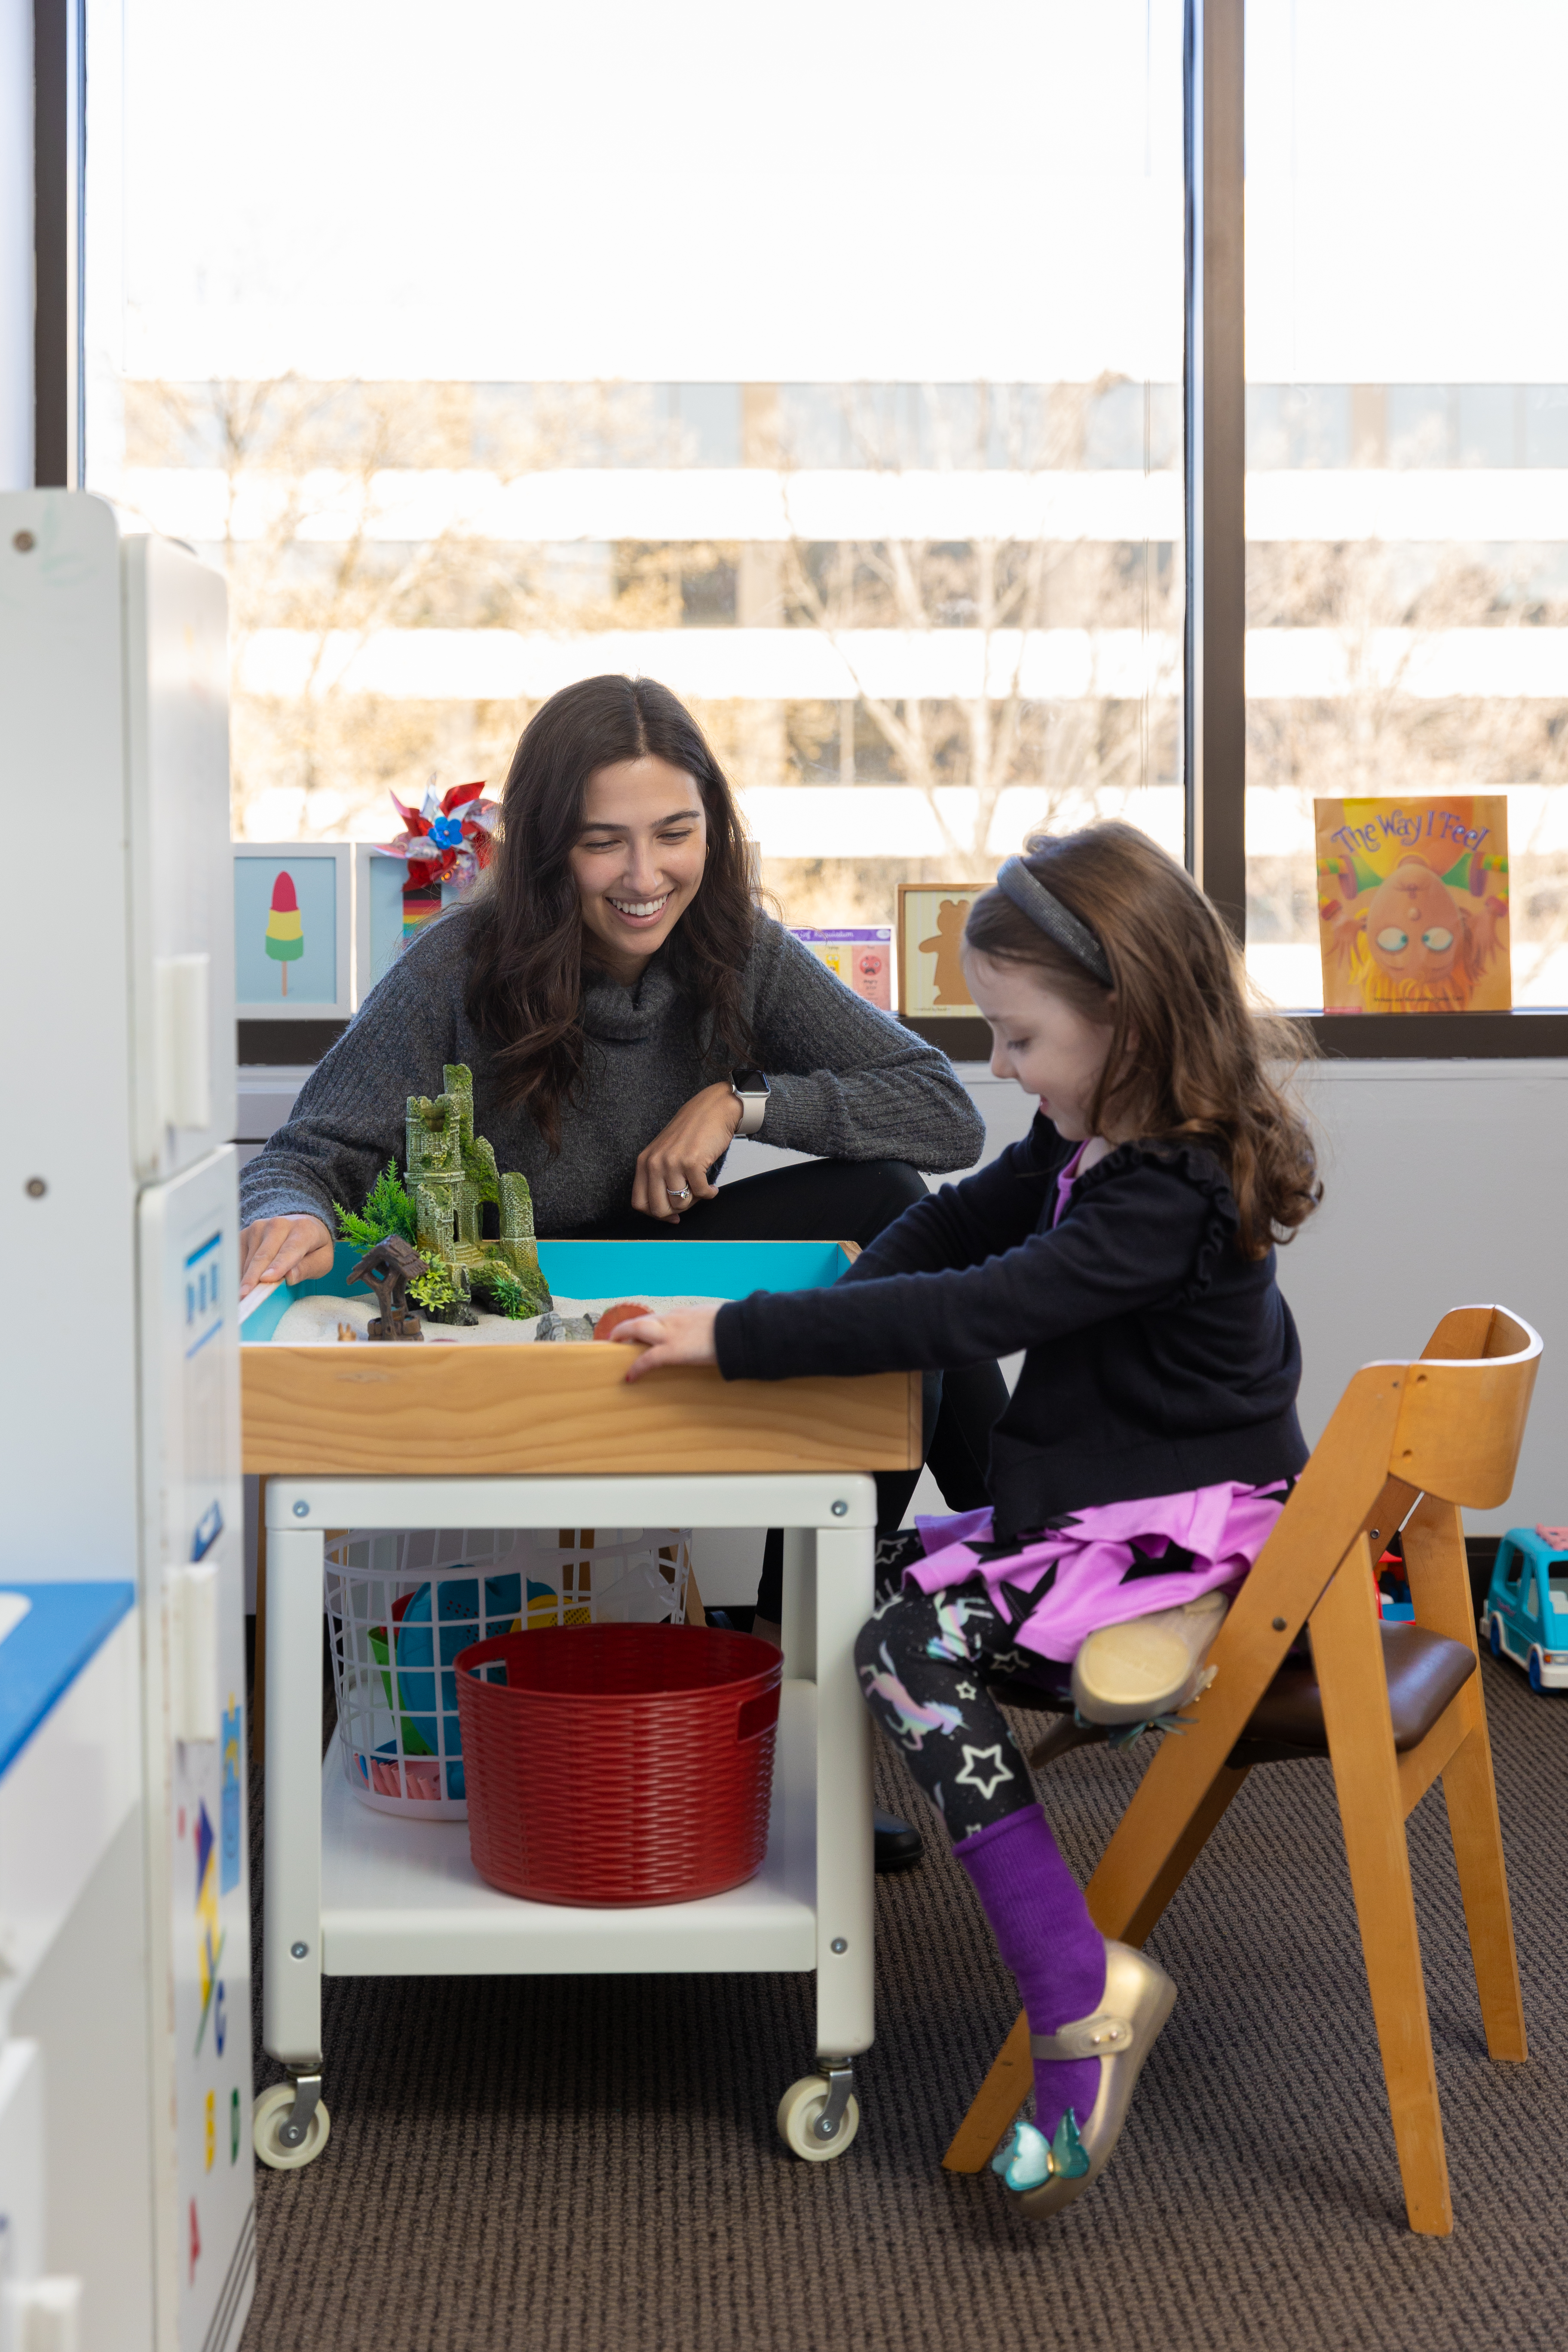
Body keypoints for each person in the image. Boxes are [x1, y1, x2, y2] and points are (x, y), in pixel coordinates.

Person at [605, 819, 1321, 2216]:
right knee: (869, 1585)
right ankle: (1080, 1715)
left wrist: (745, 1334)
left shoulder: (1167, 1190)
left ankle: (1074, 1994)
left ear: (1130, 1022)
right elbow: (942, 1231)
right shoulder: (1090, 1142)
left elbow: (978, 1311)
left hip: (1184, 1532)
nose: (1001, 1068)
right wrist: (818, 1304)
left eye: (1021, 1039)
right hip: (1119, 1512)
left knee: (903, 1642)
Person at [239, 673, 1009, 1867]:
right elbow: (304, 1153)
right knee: (904, 1258)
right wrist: (287, 1212)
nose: (646, 874)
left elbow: (944, 1115)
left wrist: (740, 1100)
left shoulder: (737, 950)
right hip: (506, 1297)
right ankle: (1023, 1547)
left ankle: (944, 1580)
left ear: (715, 826)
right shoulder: (458, 969)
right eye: (605, 843)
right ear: (550, 847)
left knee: (899, 1218)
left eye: (676, 833)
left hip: (659, 1262)